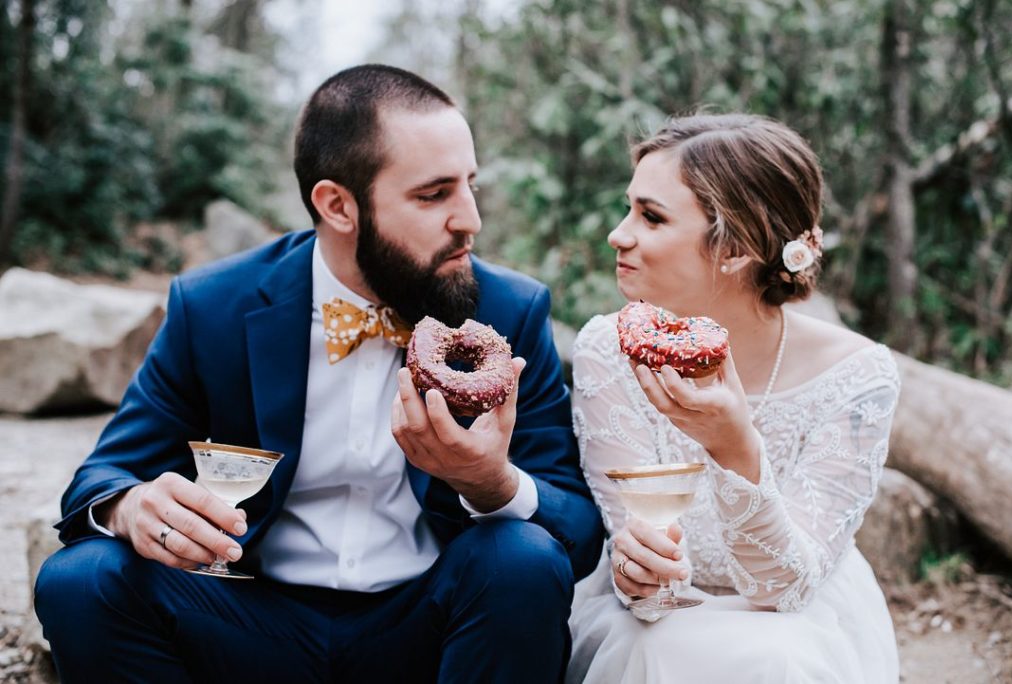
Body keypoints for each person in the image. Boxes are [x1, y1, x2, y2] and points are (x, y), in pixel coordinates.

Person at [34, 64, 604, 684]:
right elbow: (100, 479)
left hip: (429, 625)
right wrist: (133, 506)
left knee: (520, 561)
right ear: (337, 205)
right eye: (433, 194)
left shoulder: (508, 312)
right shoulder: (215, 307)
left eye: (469, 185)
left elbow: (575, 532)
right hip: (249, 623)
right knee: (79, 580)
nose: (470, 219)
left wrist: (491, 482)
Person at [567, 113, 901, 683]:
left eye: (650, 216)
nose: (618, 234)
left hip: (798, 615)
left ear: (737, 248)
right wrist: (640, 570)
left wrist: (734, 445)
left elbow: (784, 590)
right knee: (653, 647)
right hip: (659, 622)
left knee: (779, 659)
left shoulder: (858, 374)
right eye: (629, 208)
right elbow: (650, 580)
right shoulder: (607, 348)